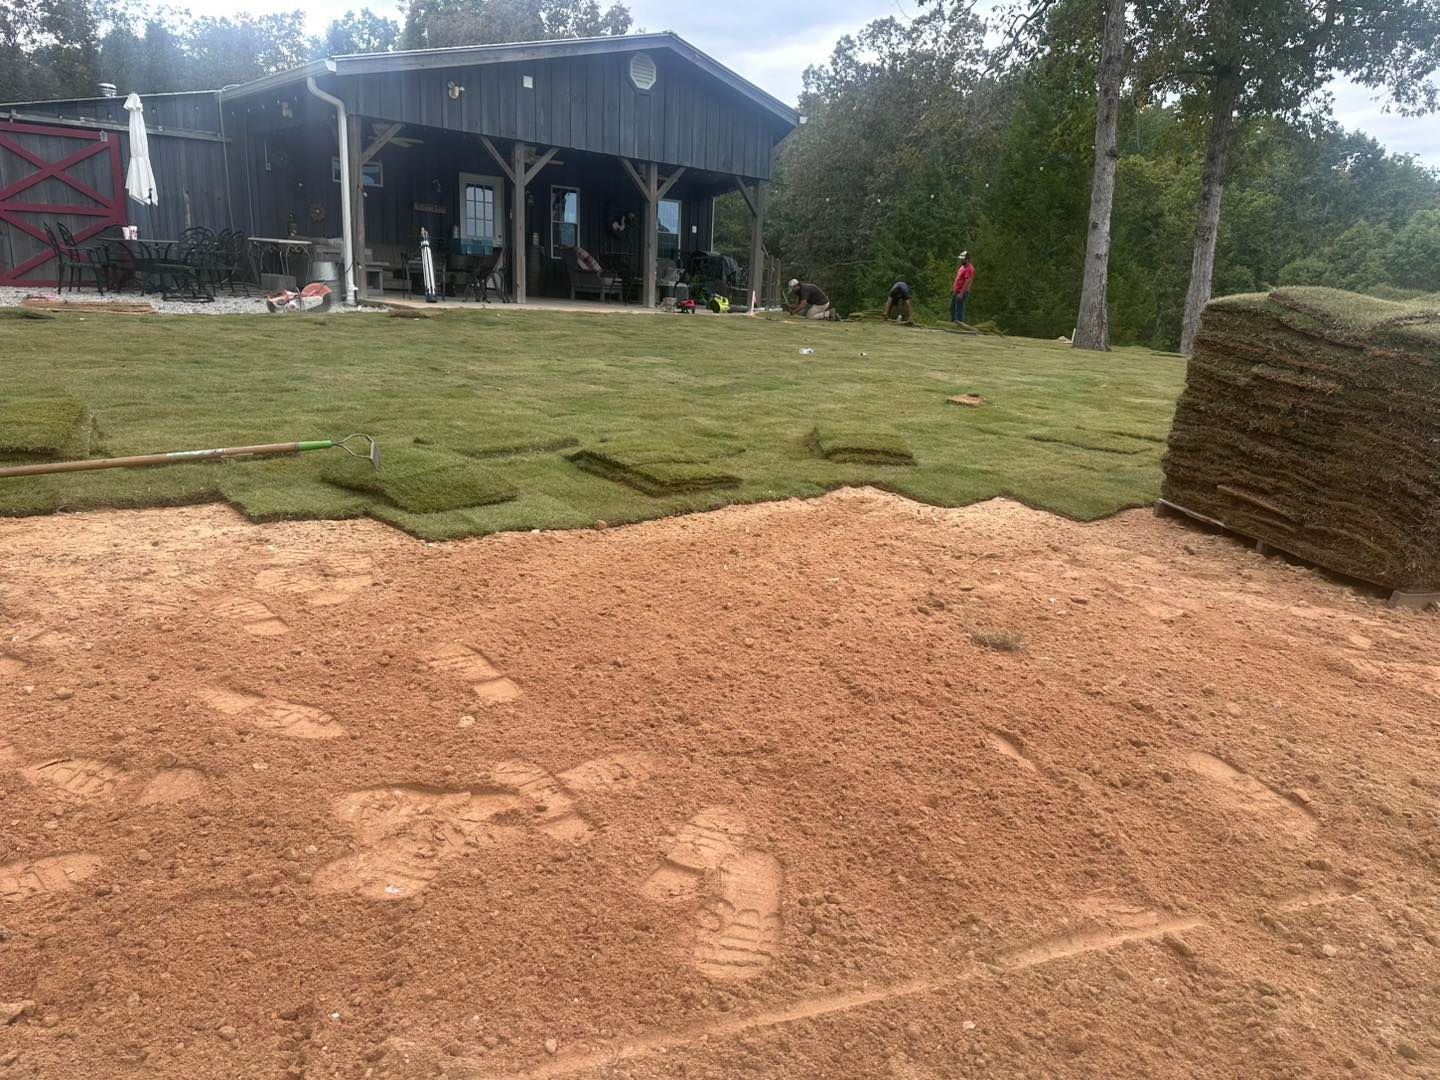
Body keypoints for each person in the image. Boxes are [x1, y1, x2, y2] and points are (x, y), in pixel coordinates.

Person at [951, 252, 974, 324]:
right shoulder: (962, 267)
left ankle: (960, 324)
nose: (961, 260)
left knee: (959, 309)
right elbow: (958, 278)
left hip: (962, 291)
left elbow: (967, 281)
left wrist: (961, 293)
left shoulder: (969, 269)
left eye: (962, 259)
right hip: (956, 290)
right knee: (952, 307)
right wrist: (953, 288)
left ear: (967, 259)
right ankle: (953, 322)